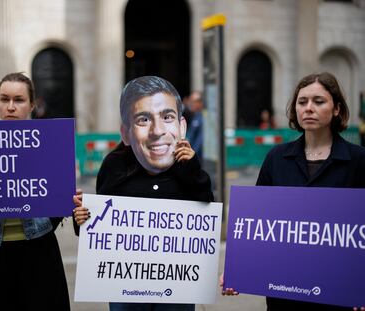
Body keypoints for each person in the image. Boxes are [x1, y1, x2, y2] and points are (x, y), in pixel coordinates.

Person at [221, 72, 365, 310]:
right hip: (284, 297)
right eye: (302, 102)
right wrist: (238, 271)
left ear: (337, 109)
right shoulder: (276, 158)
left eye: (318, 101)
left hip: (337, 297)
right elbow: (255, 225)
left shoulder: (358, 160)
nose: (308, 108)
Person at [73, 76, 214, 311]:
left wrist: (191, 169)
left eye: (167, 117)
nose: (157, 131)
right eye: (143, 119)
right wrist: (81, 219)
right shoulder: (114, 167)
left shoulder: (189, 167)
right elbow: (96, 229)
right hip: (127, 293)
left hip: (176, 292)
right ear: (126, 134)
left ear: (182, 127)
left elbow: (205, 217)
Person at [0, 72, 70, 310]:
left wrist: (66, 198)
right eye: (4, 99)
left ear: (32, 105)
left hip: (39, 251)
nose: (11, 107)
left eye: (18, 100)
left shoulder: (50, 145)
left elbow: (59, 199)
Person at [186, 91, 204, 162]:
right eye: (190, 101)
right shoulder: (194, 116)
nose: (191, 104)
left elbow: (200, 141)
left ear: (200, 103)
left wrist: (191, 157)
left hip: (197, 160)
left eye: (193, 101)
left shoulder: (201, 118)